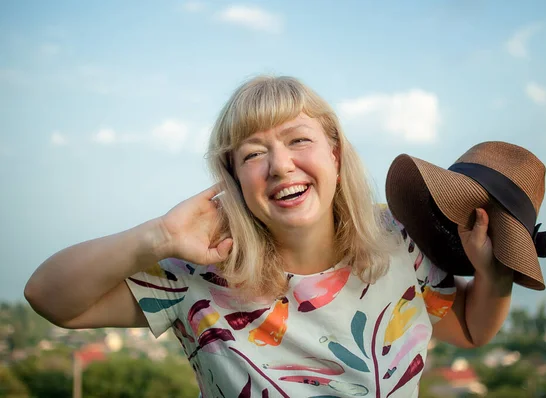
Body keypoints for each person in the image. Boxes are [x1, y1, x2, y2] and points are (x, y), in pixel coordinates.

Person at [25, 75, 515, 397]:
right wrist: (157, 236)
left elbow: (469, 328)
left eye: (299, 140)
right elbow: (50, 298)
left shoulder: (400, 242)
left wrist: (495, 273)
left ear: (336, 154)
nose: (281, 165)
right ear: (234, 177)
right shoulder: (199, 271)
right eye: (254, 153)